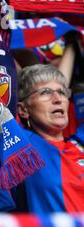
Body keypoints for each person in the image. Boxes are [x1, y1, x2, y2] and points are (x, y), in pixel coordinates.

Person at [14, 64, 84, 213]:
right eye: (45, 92)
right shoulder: (22, 149)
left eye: (62, 92)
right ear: (23, 109)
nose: (57, 99)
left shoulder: (79, 141)